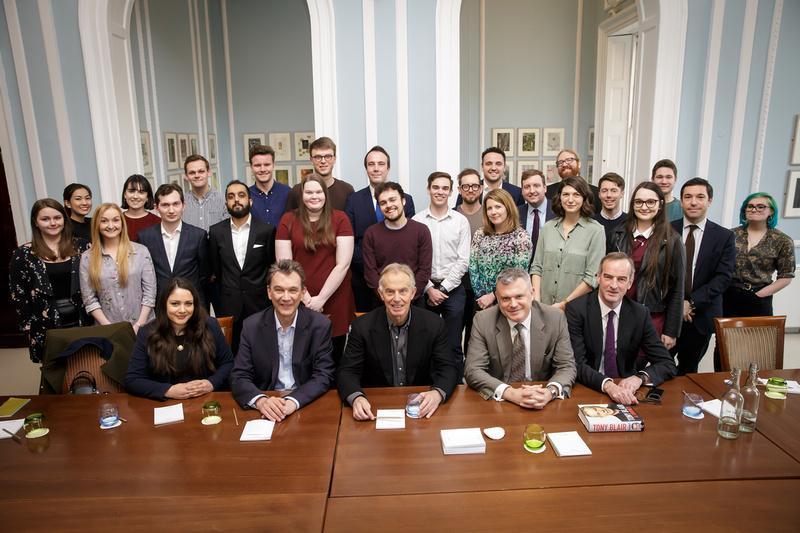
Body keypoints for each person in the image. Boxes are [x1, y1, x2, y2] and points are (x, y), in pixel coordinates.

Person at [337, 263, 458, 421]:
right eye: (390, 292)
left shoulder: (434, 324)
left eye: (403, 291)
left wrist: (437, 393)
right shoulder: (362, 327)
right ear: (381, 294)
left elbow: (448, 368)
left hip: (420, 407)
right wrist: (357, 397)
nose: (396, 298)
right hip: (376, 407)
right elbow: (347, 371)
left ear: (413, 293)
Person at [566, 253, 677, 405]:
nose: (614, 285)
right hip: (589, 388)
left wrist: (639, 378)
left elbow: (667, 364)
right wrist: (608, 385)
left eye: (621, 279)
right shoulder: (576, 310)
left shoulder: (640, 313)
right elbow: (576, 364)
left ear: (630, 283)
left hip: (626, 390)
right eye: (608, 277)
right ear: (598, 277)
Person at [231, 260, 335, 421]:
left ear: (302, 293)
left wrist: (293, 401)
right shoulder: (251, 326)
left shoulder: (320, 325)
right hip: (267, 405)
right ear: (269, 292)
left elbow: (323, 375)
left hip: (306, 403)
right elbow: (239, 376)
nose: (286, 298)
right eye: (279, 290)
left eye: (293, 290)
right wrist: (261, 401)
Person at [464, 267, 576, 408]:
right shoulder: (483, 320)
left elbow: (566, 366)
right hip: (500, 400)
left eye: (519, 296)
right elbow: (473, 370)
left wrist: (549, 392)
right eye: (505, 298)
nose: (513, 304)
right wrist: (510, 393)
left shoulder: (555, 318)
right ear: (497, 298)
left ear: (532, 293)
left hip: (541, 399)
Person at [276, 175, 355, 362]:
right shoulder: (288, 219)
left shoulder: (340, 219)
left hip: (335, 297)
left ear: (325, 194)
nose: (314, 196)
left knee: (334, 356)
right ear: (301, 195)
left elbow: (343, 264)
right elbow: (284, 265)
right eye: (309, 192)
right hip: (297, 298)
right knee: (302, 356)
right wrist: (306, 298)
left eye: (318, 192)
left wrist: (321, 299)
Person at [125, 277, 233, 400]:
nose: (182, 310)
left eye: (188, 304)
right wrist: (168, 390)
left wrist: (211, 383)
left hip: (207, 401)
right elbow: (133, 379)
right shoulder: (147, 333)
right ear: (164, 304)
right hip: (167, 405)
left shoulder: (210, 325)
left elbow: (228, 364)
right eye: (175, 304)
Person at [10, 199, 90, 363]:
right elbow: (18, 296)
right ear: (36, 222)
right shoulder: (23, 254)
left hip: (83, 320)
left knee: (88, 368)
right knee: (56, 377)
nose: (53, 223)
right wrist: (30, 328)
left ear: (64, 219)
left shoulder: (82, 246)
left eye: (57, 217)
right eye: (45, 219)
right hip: (46, 325)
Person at [721, 193, 795, 365]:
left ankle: (752, 383)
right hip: (729, 295)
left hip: (759, 298)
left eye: (761, 206)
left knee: (757, 346)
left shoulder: (782, 240)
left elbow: (786, 276)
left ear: (771, 212)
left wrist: (759, 295)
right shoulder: (730, 235)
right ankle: (725, 384)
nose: (754, 209)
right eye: (750, 206)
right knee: (725, 346)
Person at [608, 182, 685, 350]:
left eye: (651, 202)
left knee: (640, 366)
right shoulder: (617, 234)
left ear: (660, 205)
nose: (644, 207)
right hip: (617, 313)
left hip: (652, 316)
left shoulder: (672, 240)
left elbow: (678, 288)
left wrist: (671, 330)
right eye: (639, 202)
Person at [671, 178, 735, 375]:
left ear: (710, 201)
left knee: (689, 370)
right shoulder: (666, 229)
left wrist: (691, 302)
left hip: (701, 315)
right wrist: (678, 303)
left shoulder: (724, 236)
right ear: (681, 201)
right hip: (668, 313)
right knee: (660, 365)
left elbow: (723, 277)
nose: (693, 202)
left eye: (700, 197)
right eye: (688, 197)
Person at [412, 172, 471, 376]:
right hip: (424, 289)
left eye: (445, 188)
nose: (440, 192)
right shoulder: (417, 220)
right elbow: (414, 261)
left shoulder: (460, 221)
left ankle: (454, 383)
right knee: (425, 341)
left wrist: (443, 288)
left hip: (453, 290)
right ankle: (428, 382)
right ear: (428, 189)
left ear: (451, 192)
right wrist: (429, 289)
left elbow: (463, 260)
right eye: (436, 187)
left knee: (454, 342)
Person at [345, 146, 415, 312]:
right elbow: (350, 241)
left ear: (388, 168)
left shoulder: (406, 199)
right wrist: (371, 272)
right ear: (366, 168)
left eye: (381, 164)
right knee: (368, 331)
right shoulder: (353, 200)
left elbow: (409, 238)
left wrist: (394, 275)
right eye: (371, 164)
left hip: (400, 283)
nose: (376, 168)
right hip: (363, 280)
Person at [208, 180, 276, 352]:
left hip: (259, 304)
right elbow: (216, 269)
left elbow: (271, 267)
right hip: (229, 305)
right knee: (232, 352)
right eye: (231, 197)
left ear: (250, 201)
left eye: (241, 195)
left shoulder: (266, 230)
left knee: (262, 351)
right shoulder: (216, 232)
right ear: (226, 203)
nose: (236, 200)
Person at [530, 176, 605, 311]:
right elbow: (537, 268)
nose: (570, 200)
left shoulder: (596, 231)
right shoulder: (548, 228)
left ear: (584, 198)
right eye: (566, 194)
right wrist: (536, 300)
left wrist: (564, 304)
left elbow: (592, 278)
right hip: (543, 307)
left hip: (577, 309)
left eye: (576, 195)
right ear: (560, 198)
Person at [79, 203, 156, 331]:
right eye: (104, 221)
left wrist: (138, 326)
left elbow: (150, 293)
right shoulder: (87, 258)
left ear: (122, 223)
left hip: (145, 327)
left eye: (115, 220)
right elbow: (89, 300)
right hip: (108, 330)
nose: (111, 226)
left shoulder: (140, 251)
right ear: (97, 224)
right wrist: (112, 329)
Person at [362, 182, 432, 305]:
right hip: (382, 301)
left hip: (414, 301)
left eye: (392, 200)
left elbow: (424, 270)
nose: (389, 205)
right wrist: (387, 297)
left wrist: (408, 297)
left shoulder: (421, 231)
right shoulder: (371, 233)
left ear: (403, 201)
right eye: (383, 203)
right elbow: (370, 273)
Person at [137, 184, 209, 304]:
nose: (171, 210)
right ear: (156, 207)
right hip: (159, 304)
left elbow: (204, 275)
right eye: (165, 205)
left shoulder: (198, 236)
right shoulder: (145, 237)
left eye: (176, 204)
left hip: (191, 303)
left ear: (183, 206)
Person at [469, 188, 531, 311]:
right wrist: (482, 296)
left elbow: (518, 273)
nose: (493, 212)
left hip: (510, 301)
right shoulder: (480, 234)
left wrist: (493, 296)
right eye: (489, 208)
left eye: (498, 207)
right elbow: (473, 267)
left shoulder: (521, 237)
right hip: (482, 302)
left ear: (508, 208)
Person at [455, 168, 484, 354]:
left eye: (474, 185)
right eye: (466, 186)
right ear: (459, 189)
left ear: (481, 188)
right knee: (454, 333)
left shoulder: (491, 214)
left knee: (476, 335)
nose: (470, 189)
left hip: (481, 286)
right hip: (457, 285)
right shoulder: (452, 215)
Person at [286, 137, 354, 211]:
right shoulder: (297, 191)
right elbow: (290, 220)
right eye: (318, 157)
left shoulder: (347, 190)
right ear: (311, 160)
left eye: (328, 156)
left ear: (334, 159)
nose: (323, 161)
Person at [455, 147, 522, 206]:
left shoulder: (517, 193)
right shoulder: (467, 189)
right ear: (482, 166)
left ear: (504, 167)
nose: (493, 168)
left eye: (498, 164)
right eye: (488, 164)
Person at [248, 144, 291, 228]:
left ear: (273, 165)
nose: (262, 169)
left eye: (267, 165)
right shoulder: (246, 196)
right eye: (257, 165)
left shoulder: (288, 192)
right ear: (251, 167)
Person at [518, 169, 555, 264]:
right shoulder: (515, 213)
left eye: (536, 186)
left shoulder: (558, 211)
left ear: (545, 188)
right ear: (522, 191)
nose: (532, 191)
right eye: (527, 187)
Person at [182, 154, 227, 231]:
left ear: (209, 172)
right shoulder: (181, 203)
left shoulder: (223, 200)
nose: (197, 175)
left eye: (201, 171)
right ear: (186, 176)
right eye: (192, 173)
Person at [121, 174, 160, 242]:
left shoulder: (158, 222)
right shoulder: (117, 221)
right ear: (125, 194)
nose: (135, 196)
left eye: (141, 192)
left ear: (147, 197)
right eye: (131, 191)